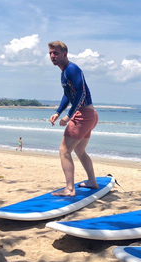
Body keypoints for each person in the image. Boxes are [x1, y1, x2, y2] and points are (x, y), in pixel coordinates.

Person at [48, 41, 99, 196]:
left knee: (64, 150)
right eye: (50, 53)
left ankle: (70, 189)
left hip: (83, 115)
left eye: (55, 53)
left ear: (65, 54)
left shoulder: (72, 69)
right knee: (79, 150)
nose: (52, 56)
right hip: (89, 115)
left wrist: (69, 116)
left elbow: (81, 93)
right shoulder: (64, 73)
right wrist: (58, 112)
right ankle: (92, 182)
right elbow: (68, 94)